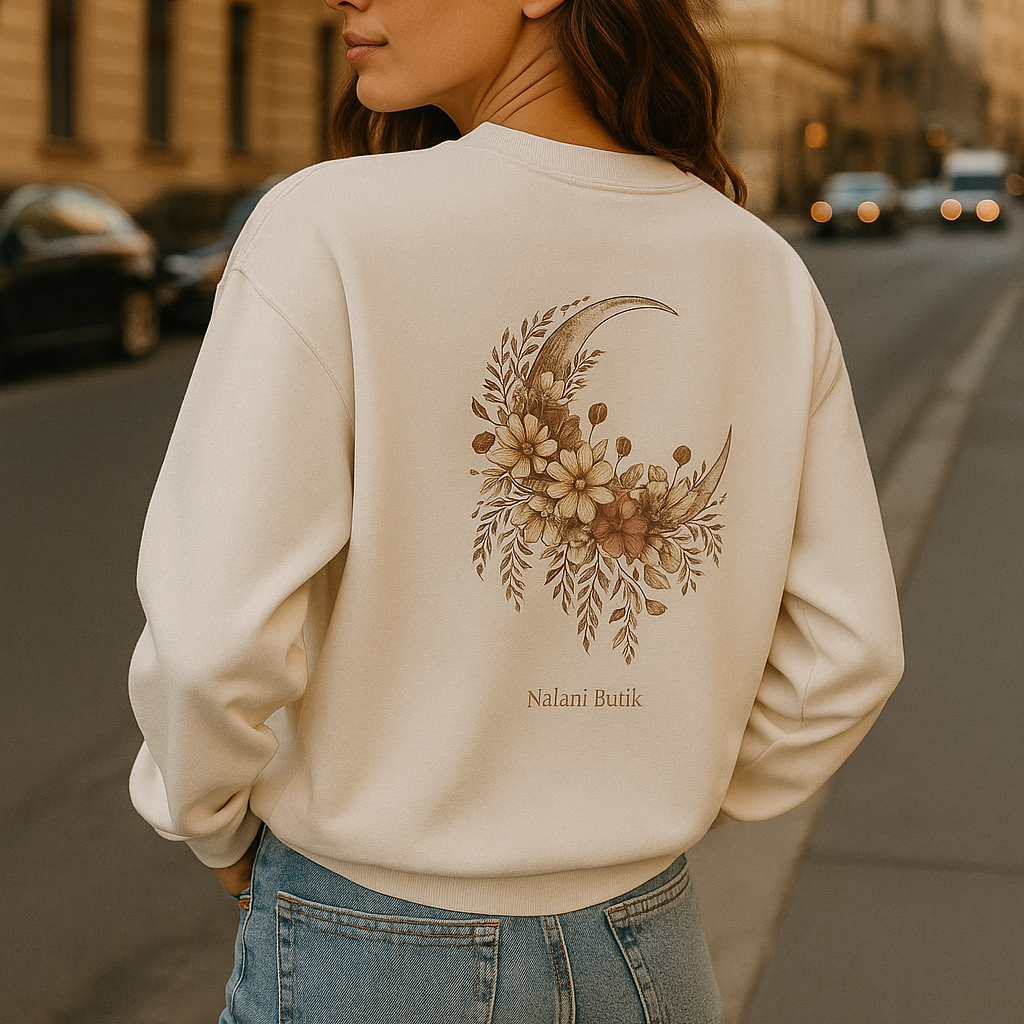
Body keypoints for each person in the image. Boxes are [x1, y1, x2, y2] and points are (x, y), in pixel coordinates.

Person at [127, 0, 904, 1021]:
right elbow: (848, 654)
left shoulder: (328, 226)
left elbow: (207, 644)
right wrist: (638, 799)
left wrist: (212, 822)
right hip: (647, 951)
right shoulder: (761, 271)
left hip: (373, 947)